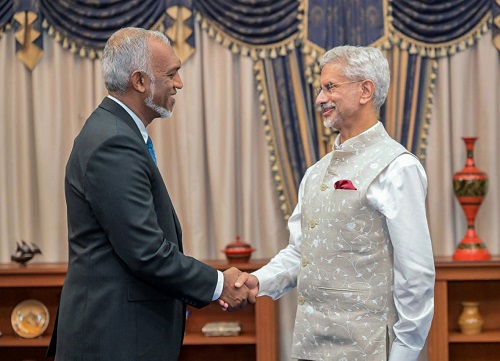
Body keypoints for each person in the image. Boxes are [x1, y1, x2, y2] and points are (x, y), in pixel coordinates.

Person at [47, 27, 253, 361]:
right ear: (140, 81)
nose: (179, 84)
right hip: (112, 341)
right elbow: (145, 251)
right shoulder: (113, 142)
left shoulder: (117, 132)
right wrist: (219, 284)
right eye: (171, 74)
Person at [229, 46, 435, 360]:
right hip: (308, 347)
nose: (320, 99)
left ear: (366, 90)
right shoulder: (314, 173)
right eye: (320, 89)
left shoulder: (398, 168)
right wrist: (258, 281)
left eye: (330, 87)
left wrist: (405, 352)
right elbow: (301, 253)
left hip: (369, 351)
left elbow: (416, 275)